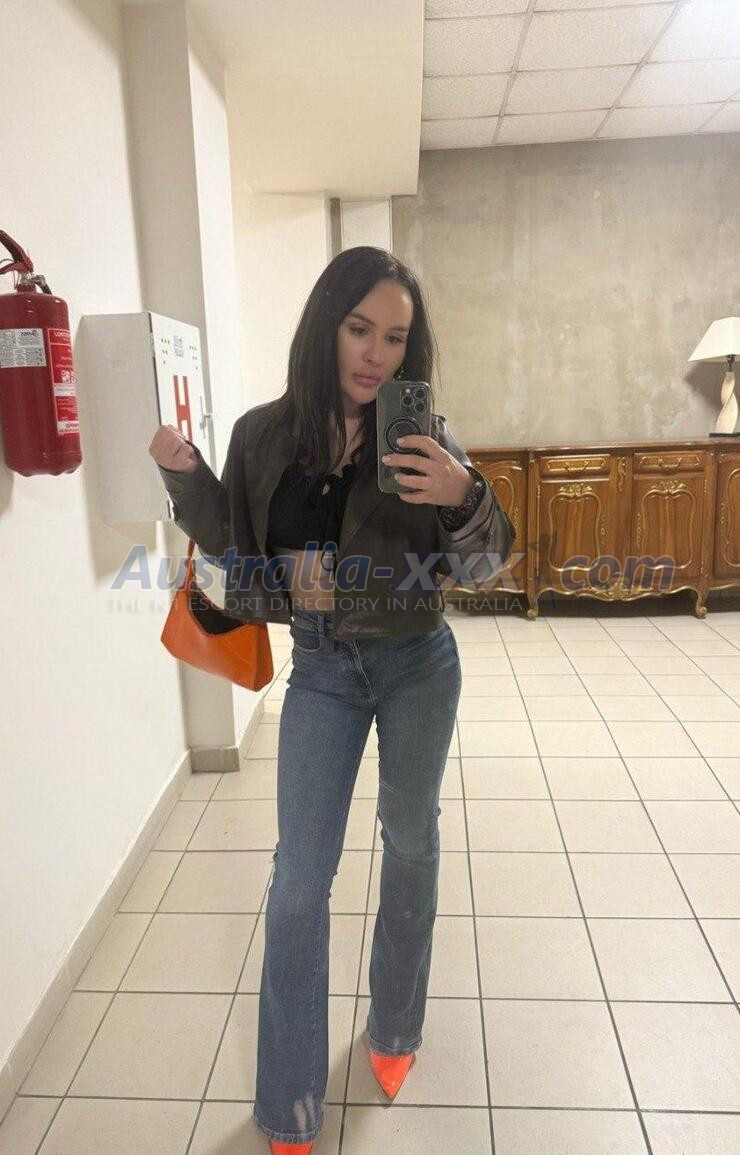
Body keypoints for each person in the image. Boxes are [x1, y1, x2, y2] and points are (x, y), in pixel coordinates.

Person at [149, 246, 515, 1152]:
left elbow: (486, 566)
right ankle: (291, 1102)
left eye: (395, 338)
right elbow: (234, 547)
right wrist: (186, 477)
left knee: (412, 840)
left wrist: (464, 494)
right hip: (321, 670)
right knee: (299, 880)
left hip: (417, 661)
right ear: (326, 326)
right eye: (360, 329)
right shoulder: (262, 435)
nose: (377, 354)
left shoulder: (426, 436)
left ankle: (395, 1027)